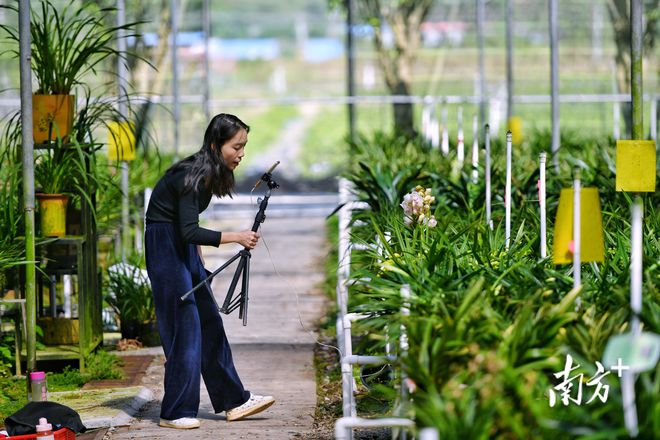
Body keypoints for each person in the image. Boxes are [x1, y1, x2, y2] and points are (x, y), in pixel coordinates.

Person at [144, 113, 275, 429]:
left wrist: (197, 263)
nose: (241, 154)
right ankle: (174, 411)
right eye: (236, 147)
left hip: (183, 246)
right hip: (164, 245)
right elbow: (187, 230)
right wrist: (237, 236)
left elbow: (187, 228)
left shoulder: (208, 173)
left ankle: (234, 400)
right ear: (216, 145)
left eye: (244, 147)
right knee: (185, 325)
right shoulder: (191, 175)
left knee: (209, 320)